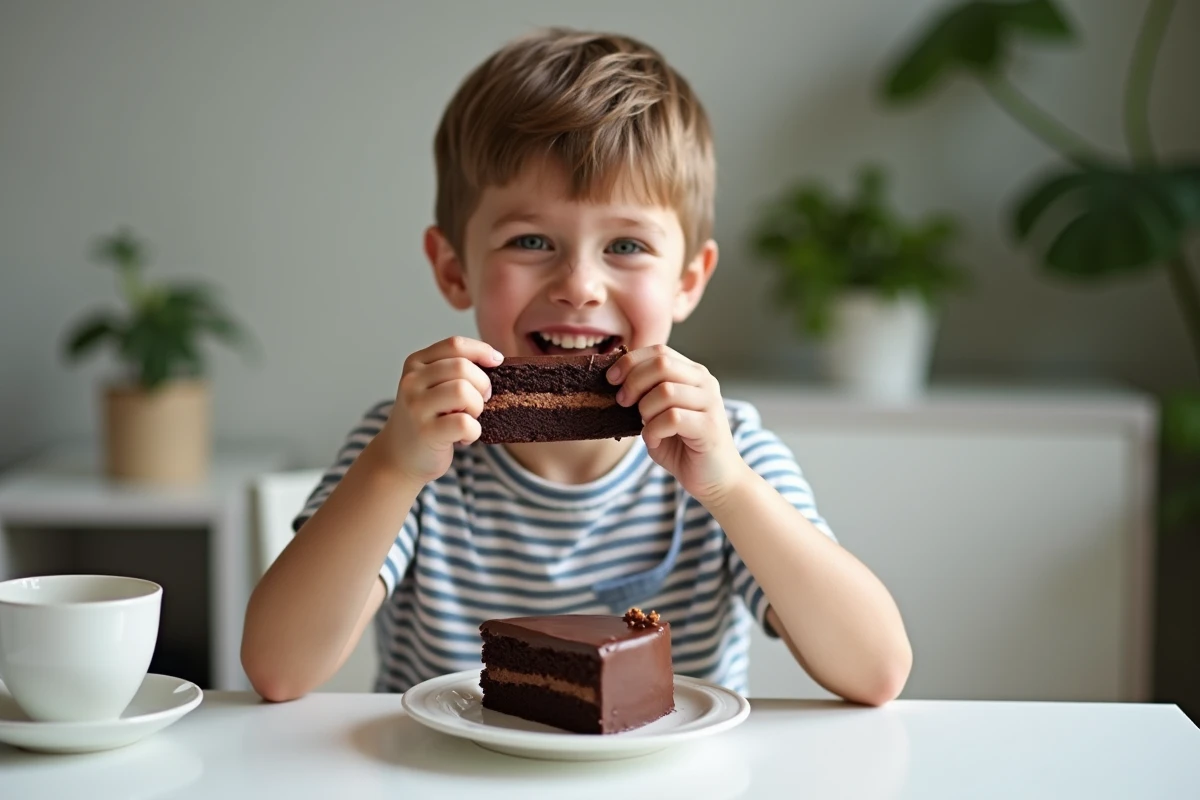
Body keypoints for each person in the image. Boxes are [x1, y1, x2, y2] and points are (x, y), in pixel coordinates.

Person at [241, 27, 912, 706]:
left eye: (625, 244)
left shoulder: (726, 450)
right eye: (531, 240)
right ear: (453, 267)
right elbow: (278, 669)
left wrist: (729, 487)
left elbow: (877, 673)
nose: (579, 285)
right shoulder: (409, 445)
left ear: (687, 279)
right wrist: (393, 467)